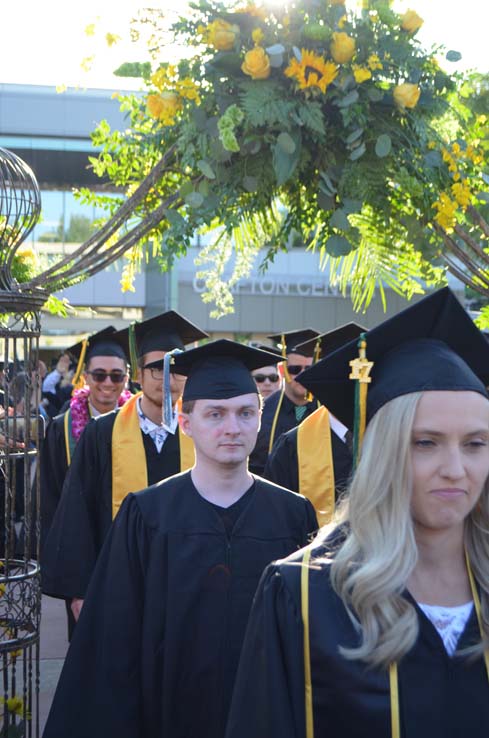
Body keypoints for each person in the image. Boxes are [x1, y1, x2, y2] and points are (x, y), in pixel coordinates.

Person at [226, 287, 489, 738]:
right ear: (381, 451)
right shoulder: (305, 595)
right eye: (425, 442)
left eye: (475, 444)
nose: (454, 469)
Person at [42, 339, 318, 738]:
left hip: (265, 716)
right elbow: (113, 647)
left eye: (245, 413)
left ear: (260, 418)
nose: (231, 427)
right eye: (215, 414)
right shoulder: (146, 515)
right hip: (165, 719)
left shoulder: (293, 515)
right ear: (185, 423)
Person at [41, 310, 208, 626]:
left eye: (177, 368)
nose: (168, 377)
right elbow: (77, 511)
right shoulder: (101, 433)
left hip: (186, 590)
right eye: (157, 368)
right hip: (114, 590)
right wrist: (79, 591)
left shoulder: (200, 435)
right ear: (139, 375)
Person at [40, 326, 131, 551]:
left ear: (126, 378)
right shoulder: (61, 427)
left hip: (128, 540)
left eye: (116, 375)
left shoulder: (140, 425)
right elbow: (49, 495)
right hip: (77, 542)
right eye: (99, 374)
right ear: (85, 377)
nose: (108, 383)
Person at [263, 323, 364, 524]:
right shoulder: (291, 445)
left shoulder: (390, 439)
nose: (349, 384)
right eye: (294, 369)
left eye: (360, 375)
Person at [249, 328, 320, 476]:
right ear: (282, 371)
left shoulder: (328, 412)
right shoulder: (263, 413)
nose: (302, 374)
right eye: (295, 369)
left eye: (309, 368)